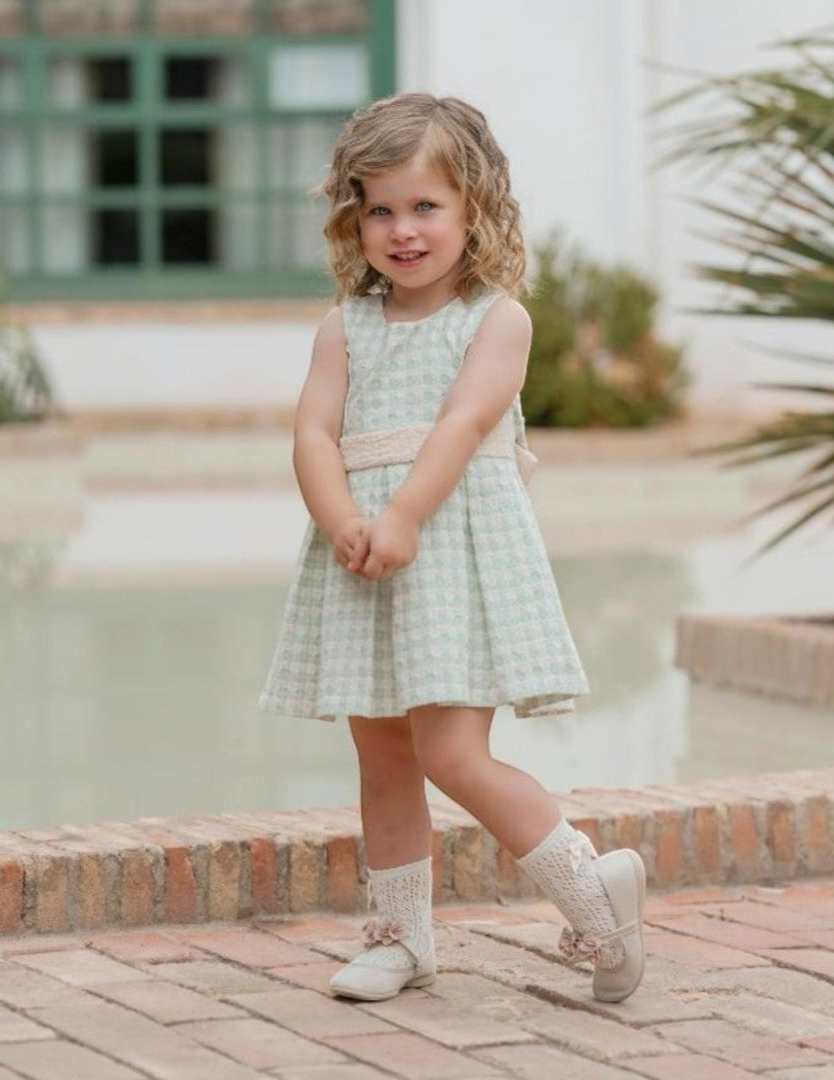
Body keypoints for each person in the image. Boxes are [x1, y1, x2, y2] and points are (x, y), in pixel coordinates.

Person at [259, 93, 645, 1004]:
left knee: (451, 753)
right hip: (362, 557)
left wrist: (404, 520)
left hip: (449, 555)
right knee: (384, 754)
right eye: (380, 209)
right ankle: (401, 939)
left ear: (476, 208)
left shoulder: (494, 318)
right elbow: (313, 434)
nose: (401, 229)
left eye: (425, 206)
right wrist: (342, 515)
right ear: (353, 217)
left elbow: (466, 424)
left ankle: (594, 892)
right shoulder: (342, 328)